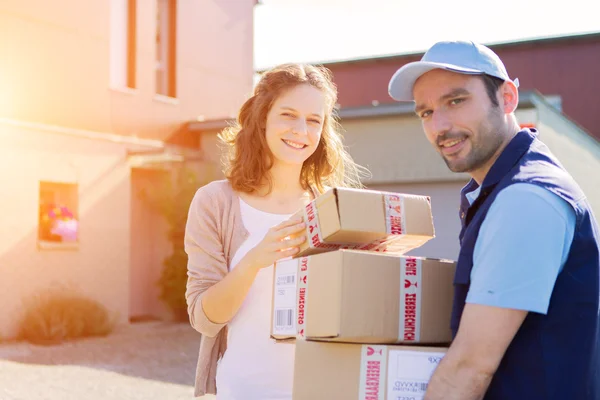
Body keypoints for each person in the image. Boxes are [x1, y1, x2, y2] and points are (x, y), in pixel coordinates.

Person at [388, 41, 600, 400]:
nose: (440, 126)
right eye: (425, 112)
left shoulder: (526, 198)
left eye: (456, 101)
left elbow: (470, 367)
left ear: (507, 98)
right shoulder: (496, 192)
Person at [184, 63, 366, 399]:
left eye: (314, 120)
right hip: (243, 389)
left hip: (323, 391)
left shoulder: (332, 208)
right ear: (262, 117)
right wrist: (254, 261)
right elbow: (205, 319)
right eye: (288, 115)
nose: (301, 130)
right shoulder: (215, 203)